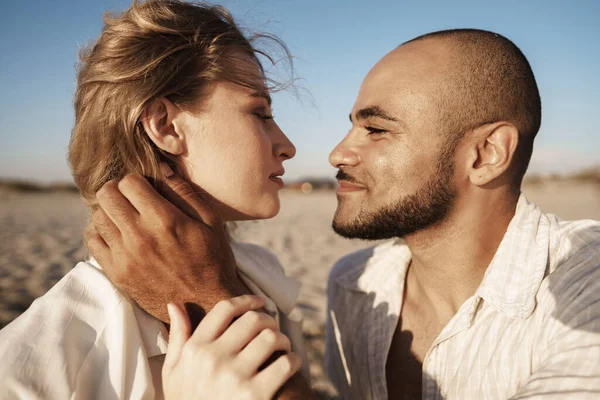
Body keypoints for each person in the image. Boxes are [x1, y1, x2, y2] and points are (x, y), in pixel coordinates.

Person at [88, 28, 600, 399]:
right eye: (352, 126)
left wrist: (207, 296)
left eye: (376, 130)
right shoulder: (354, 286)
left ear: (486, 154)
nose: (336, 153)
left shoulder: (584, 290)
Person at [0, 0, 314, 398]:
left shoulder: (261, 273)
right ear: (164, 125)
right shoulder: (38, 364)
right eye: (260, 113)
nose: (286, 146)